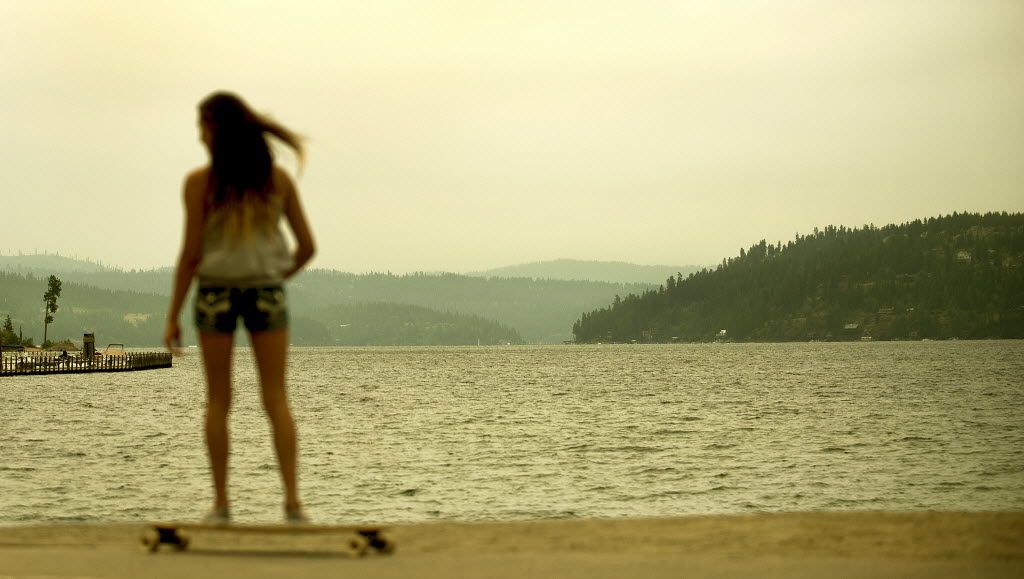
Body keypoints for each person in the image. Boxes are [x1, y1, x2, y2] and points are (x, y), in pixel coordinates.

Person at [164, 91, 316, 525]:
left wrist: (173, 316)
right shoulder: (277, 181)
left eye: (202, 128)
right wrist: (275, 277)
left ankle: (221, 505)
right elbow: (307, 247)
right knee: (276, 398)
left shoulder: (199, 183)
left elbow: (190, 255)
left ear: (215, 131)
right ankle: (292, 504)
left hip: (215, 293)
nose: (199, 137)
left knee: (217, 401)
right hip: (265, 291)